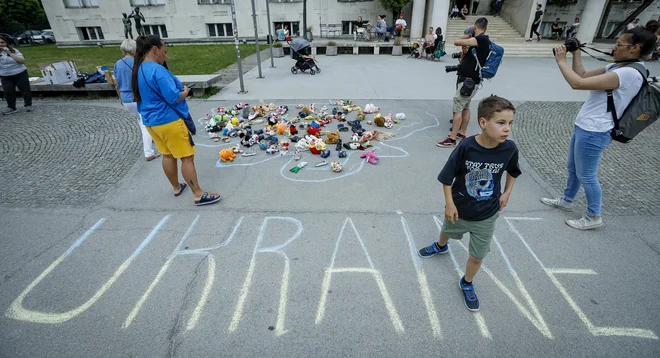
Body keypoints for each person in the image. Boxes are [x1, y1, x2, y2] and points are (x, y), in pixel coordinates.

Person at [542, 24, 658, 229]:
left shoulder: (629, 73)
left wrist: (561, 61)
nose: (615, 48)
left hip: (596, 130)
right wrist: (576, 53)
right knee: (573, 168)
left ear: (635, 48)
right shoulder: (618, 66)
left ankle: (594, 217)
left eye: (619, 44)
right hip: (586, 125)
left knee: (587, 175)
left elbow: (577, 83)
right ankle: (567, 200)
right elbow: (583, 75)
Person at [419, 95, 521, 312]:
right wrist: (449, 204)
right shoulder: (467, 146)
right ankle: (440, 246)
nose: (507, 129)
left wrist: (507, 192)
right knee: (447, 230)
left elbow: (513, 171)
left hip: (487, 214)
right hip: (460, 208)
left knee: (477, 255)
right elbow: (447, 177)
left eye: (510, 123)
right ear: (483, 123)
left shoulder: (509, 149)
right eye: (501, 123)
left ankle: (466, 282)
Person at [132, 35, 222, 206]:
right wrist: (186, 92)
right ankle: (198, 194)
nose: (165, 56)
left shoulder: (139, 69)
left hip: (151, 122)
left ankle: (176, 187)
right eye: (164, 52)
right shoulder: (158, 70)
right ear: (155, 49)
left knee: (167, 154)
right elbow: (173, 97)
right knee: (187, 157)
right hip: (169, 121)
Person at [437, 18, 490, 148]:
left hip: (468, 81)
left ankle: (452, 138)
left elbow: (456, 41)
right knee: (465, 107)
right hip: (471, 80)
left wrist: (467, 36)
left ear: (475, 28)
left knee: (457, 109)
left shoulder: (481, 39)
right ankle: (462, 133)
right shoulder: (482, 41)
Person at [114, 39, 159, 162]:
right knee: (145, 123)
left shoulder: (118, 63)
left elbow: (116, 83)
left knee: (141, 120)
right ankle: (148, 152)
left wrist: (120, 97)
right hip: (137, 97)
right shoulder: (137, 62)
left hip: (125, 98)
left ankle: (153, 138)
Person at [0, 34, 32, 115]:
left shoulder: (13, 50)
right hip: (5, 75)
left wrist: (10, 53)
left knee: (25, 90)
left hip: (19, 72)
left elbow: (21, 61)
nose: (0, 44)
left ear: (6, 43)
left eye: (2, 42)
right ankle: (11, 107)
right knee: (8, 91)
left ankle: (28, 105)